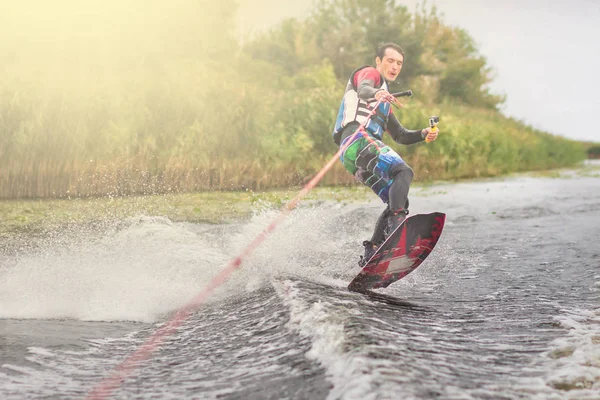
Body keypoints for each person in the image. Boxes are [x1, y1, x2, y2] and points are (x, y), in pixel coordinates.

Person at [332, 42, 439, 267]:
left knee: (396, 197)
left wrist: (424, 133)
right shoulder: (370, 75)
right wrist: (378, 92)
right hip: (358, 140)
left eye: (399, 63)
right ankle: (397, 229)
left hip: (354, 157)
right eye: (390, 61)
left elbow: (400, 135)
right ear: (379, 61)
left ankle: (373, 251)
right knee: (403, 172)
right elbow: (364, 89)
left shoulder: (385, 101)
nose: (394, 66)